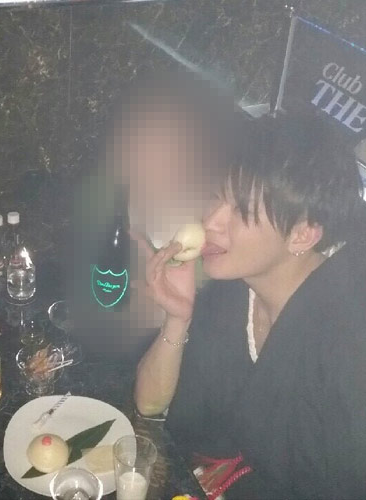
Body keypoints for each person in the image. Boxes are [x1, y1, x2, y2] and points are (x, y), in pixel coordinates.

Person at [134, 113, 366, 499]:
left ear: (303, 234)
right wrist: (177, 318)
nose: (210, 222)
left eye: (240, 211)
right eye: (215, 197)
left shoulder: (349, 343)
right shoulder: (235, 290)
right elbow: (149, 404)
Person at [66, 68, 235, 361]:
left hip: (178, 352)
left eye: (158, 143)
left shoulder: (210, 224)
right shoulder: (102, 195)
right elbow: (85, 275)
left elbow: (207, 317)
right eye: (130, 140)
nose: (136, 155)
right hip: (103, 342)